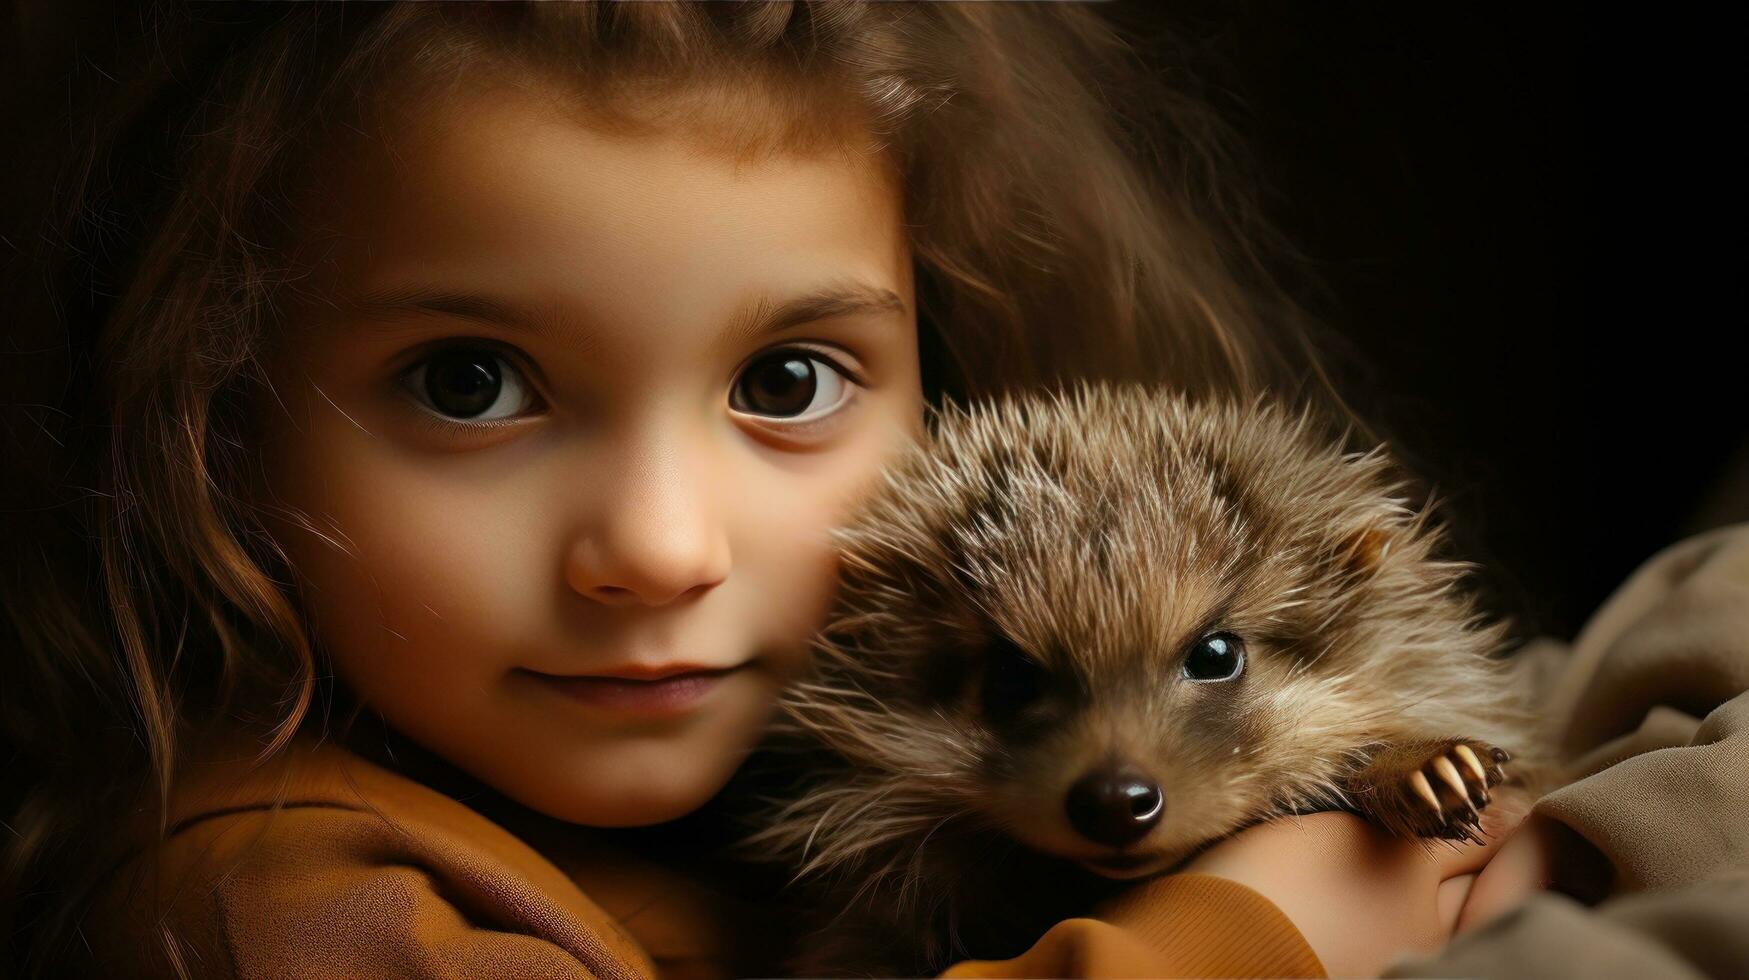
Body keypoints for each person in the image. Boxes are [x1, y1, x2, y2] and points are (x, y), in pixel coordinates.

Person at [7, 4, 1745, 978]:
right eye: (469, 383)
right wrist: (1250, 931)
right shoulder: (267, 908)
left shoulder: (798, 760)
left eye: (784, 383)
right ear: (209, 417)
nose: (659, 548)